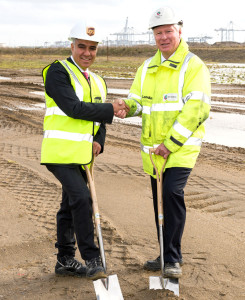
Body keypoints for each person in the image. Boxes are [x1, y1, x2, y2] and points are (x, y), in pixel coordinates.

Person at [115, 6, 211, 278]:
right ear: (153, 36)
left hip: (180, 149)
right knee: (159, 202)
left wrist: (170, 144)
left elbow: (196, 109)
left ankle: (173, 258)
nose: (164, 37)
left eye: (168, 31)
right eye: (158, 33)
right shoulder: (146, 68)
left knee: (171, 195)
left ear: (179, 31)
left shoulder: (193, 66)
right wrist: (126, 106)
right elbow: (138, 101)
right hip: (153, 152)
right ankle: (164, 253)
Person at [41, 20, 128, 280]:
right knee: (82, 199)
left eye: (92, 48)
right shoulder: (57, 71)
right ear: (72, 45)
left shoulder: (98, 81)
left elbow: (98, 121)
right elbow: (74, 109)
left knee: (69, 204)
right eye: (82, 46)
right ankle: (92, 258)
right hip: (59, 153)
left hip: (82, 156)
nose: (87, 53)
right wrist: (111, 109)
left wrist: (99, 140)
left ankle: (65, 260)